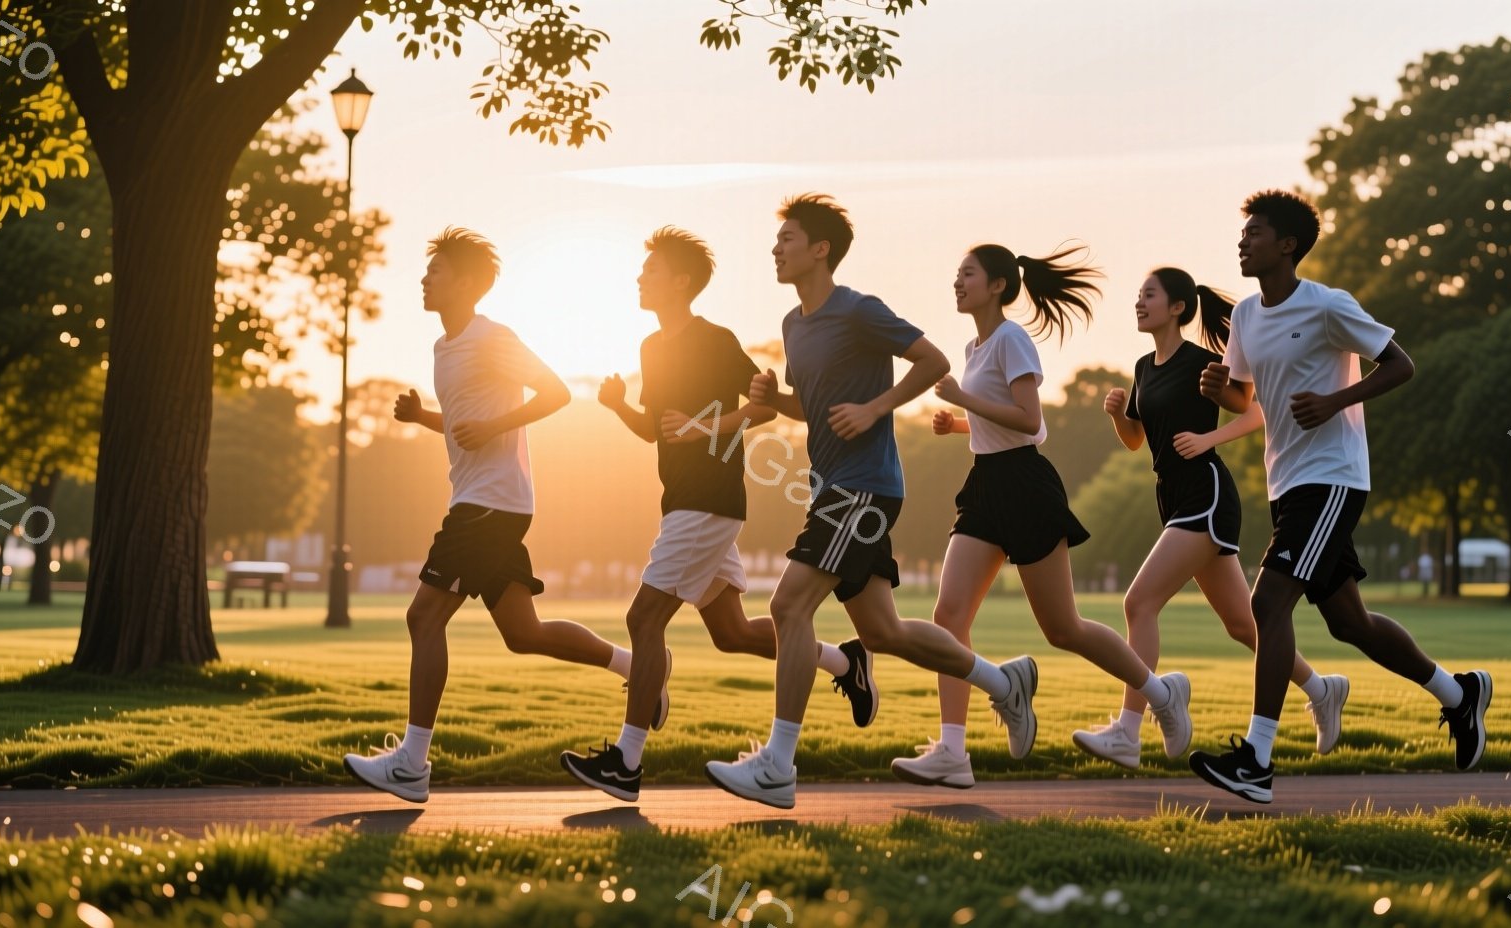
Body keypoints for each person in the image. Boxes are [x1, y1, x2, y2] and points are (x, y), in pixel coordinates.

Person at [703, 194, 1038, 810]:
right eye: (777, 242)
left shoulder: (858, 310)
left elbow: (932, 360)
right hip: (836, 485)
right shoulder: (793, 325)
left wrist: (877, 407)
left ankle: (778, 763)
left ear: (821, 248)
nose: (776, 250)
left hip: (865, 486)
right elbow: (817, 410)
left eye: (788, 239)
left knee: (787, 606)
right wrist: (776, 400)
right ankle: (1004, 680)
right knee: (882, 631)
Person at [1188, 191, 1492, 804]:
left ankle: (1257, 760)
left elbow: (1401, 365)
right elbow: (1246, 401)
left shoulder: (1328, 305)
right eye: (1242, 233)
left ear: (1287, 245)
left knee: (1268, 603)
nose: (1242, 242)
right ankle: (1460, 696)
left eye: (1255, 233)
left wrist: (1335, 401)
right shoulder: (1245, 315)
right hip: (1287, 480)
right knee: (1349, 622)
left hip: (1332, 477)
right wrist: (1219, 388)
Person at [343, 227, 661, 803]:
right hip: (490, 501)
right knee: (523, 633)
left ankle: (412, 763)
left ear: (466, 282)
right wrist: (425, 419)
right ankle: (637, 670)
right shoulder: (446, 346)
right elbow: (468, 425)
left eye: (434, 271)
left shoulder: (494, 337)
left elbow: (557, 392)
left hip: (487, 503)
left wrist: (493, 427)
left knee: (423, 618)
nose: (423, 279)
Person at [560, 227, 871, 803]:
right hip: (684, 499)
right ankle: (843, 662)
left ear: (681, 281)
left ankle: (626, 763)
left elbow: (763, 409)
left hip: (709, 501)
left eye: (650, 270)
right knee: (730, 633)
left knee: (644, 620)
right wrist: (618, 407)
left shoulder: (714, 340)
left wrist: (708, 426)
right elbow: (660, 430)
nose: (639, 278)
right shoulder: (652, 349)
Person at [890, 244, 1193, 789]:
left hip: (1027, 488)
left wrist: (964, 400)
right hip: (985, 485)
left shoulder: (1011, 339)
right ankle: (953, 752)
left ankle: (1159, 693)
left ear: (999, 286)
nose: (957, 282)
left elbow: (1032, 423)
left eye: (967, 274)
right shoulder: (974, 345)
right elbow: (1000, 424)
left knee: (1063, 628)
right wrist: (959, 425)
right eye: (956, 274)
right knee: (949, 614)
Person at [1073, 267, 1347, 769]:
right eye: (1138, 294)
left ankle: (1128, 731)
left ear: (1177, 307)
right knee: (1244, 625)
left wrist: (1207, 440)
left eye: (1148, 294)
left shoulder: (1203, 361)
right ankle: (1321, 688)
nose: (1139, 302)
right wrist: (1118, 415)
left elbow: (1255, 412)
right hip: (1173, 496)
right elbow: (1137, 442)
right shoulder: (1142, 367)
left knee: (1139, 603)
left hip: (1207, 493)